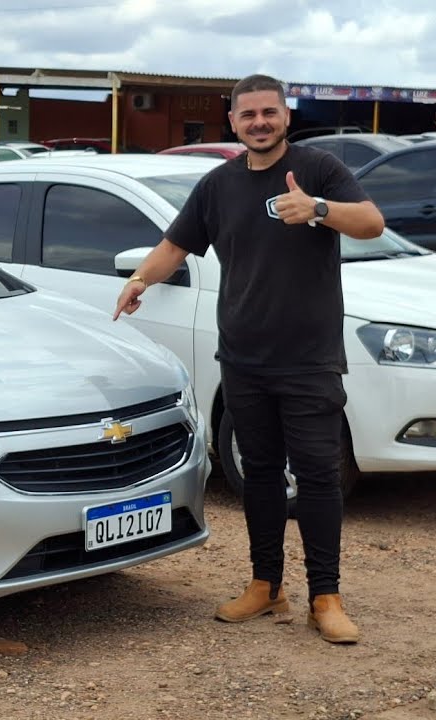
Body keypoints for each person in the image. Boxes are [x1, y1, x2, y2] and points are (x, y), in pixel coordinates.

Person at [112, 73, 385, 644]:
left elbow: (371, 223)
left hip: (309, 359)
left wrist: (317, 208)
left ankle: (326, 597)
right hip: (243, 358)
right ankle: (266, 585)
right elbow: (175, 245)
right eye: (248, 114)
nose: (259, 122)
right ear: (233, 121)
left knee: (317, 476)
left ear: (286, 116)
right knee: (258, 475)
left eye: (269, 112)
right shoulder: (217, 185)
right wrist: (140, 279)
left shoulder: (318, 170)